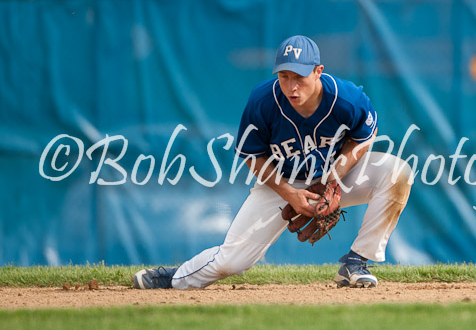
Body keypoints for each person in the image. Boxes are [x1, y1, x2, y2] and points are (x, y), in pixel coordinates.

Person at [132, 35, 413, 289]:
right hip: (282, 181)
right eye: (284, 76)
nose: (291, 86)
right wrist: (290, 194)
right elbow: (252, 156)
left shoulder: (346, 98)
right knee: (232, 262)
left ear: (318, 71)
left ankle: (356, 262)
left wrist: (333, 180)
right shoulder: (263, 101)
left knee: (397, 173)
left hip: (333, 174)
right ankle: (175, 276)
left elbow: (365, 135)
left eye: (299, 76)